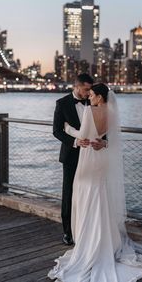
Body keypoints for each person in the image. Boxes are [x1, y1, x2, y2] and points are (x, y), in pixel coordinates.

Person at [48, 83, 142, 281]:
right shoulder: (112, 112)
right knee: (101, 196)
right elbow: (113, 139)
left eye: (92, 95)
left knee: (85, 196)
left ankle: (89, 241)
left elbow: (83, 135)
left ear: (100, 97)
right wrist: (104, 142)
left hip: (88, 159)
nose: (89, 98)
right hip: (102, 157)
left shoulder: (88, 111)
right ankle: (106, 240)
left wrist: (68, 129)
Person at [53, 74, 107, 246]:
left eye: (90, 90)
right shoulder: (62, 103)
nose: (87, 93)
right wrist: (75, 141)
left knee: (90, 193)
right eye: (85, 90)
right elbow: (56, 131)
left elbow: (106, 132)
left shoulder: (95, 104)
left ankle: (87, 230)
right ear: (76, 86)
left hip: (93, 157)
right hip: (71, 155)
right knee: (69, 194)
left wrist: (104, 143)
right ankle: (68, 232)